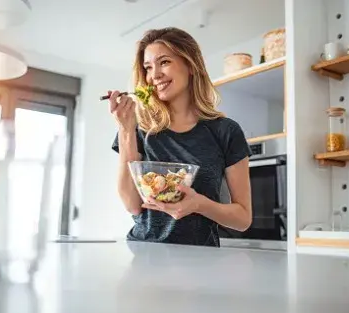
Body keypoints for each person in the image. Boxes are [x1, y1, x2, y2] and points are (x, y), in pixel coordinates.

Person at [108, 27, 252, 247]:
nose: (154, 75)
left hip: (201, 260)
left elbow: (243, 219)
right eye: (148, 67)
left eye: (164, 62)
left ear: (190, 65)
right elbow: (132, 205)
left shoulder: (226, 131)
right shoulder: (138, 127)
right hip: (145, 254)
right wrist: (126, 130)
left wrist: (199, 204)